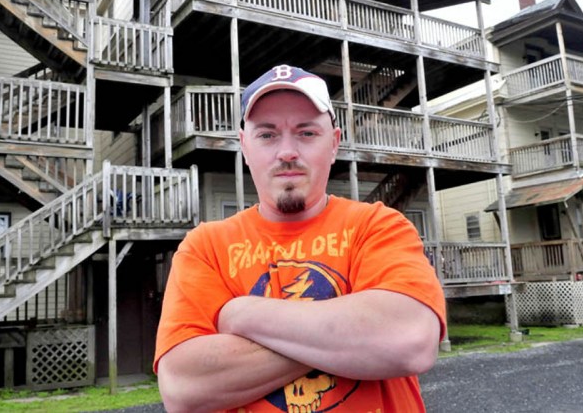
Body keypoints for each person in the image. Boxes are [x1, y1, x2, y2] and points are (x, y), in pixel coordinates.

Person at [154, 65, 446, 412]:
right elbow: (183, 386)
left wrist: (240, 315)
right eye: (267, 135)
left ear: (334, 144)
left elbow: (408, 340)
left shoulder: (378, 226)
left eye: (306, 133)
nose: (287, 152)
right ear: (245, 147)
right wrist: (353, 340)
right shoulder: (205, 247)